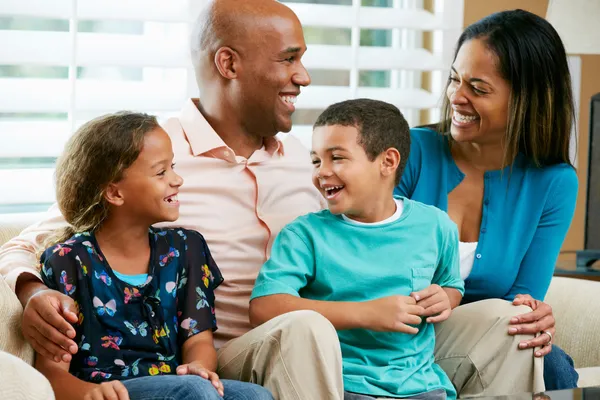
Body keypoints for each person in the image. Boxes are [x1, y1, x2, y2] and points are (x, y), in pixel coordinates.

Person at [0, 1, 541, 398]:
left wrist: (478, 300)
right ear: (229, 64)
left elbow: (395, 238)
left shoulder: (313, 162)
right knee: (307, 328)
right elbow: (30, 243)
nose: (303, 77)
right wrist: (32, 290)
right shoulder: (150, 162)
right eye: (289, 59)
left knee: (502, 324)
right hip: (233, 353)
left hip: (353, 349)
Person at [395, 9, 579, 390]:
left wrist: (531, 314)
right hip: (396, 333)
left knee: (551, 363)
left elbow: (518, 302)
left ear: (528, 100)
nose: (456, 97)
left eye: (478, 89)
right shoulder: (411, 151)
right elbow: (369, 265)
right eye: (454, 80)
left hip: (481, 339)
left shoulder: (554, 183)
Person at [35, 111, 273, 400]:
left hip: (179, 387)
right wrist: (92, 392)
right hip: (112, 393)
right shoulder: (67, 260)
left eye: (172, 167)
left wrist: (198, 366)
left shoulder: (187, 248)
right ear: (115, 193)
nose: (178, 179)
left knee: (255, 396)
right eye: (161, 172)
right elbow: (51, 373)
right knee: (194, 390)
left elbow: (199, 341)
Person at [249, 99, 464, 400]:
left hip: (420, 386)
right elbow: (264, 307)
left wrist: (446, 298)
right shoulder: (304, 235)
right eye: (315, 160)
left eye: (336, 157)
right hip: (341, 384)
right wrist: (365, 313)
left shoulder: (436, 226)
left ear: (387, 162)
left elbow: (451, 285)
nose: (321, 172)